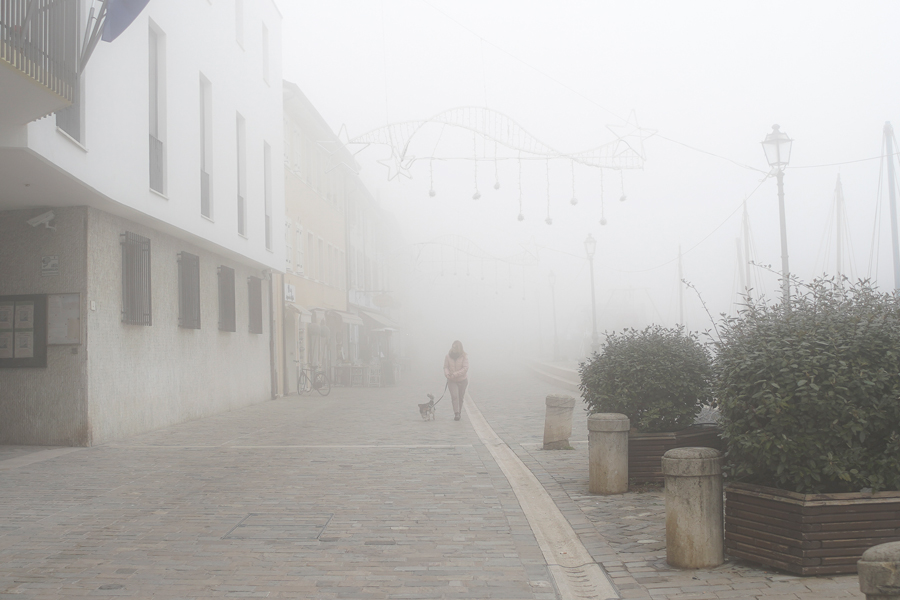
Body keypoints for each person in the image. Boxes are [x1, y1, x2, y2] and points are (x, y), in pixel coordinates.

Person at [443, 340, 469, 421]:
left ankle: (459, 411)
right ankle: (456, 413)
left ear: (459, 348)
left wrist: (455, 374)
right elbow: (445, 367)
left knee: (460, 397)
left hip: (462, 380)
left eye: (455, 347)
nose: (453, 348)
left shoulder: (464, 357)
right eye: (452, 346)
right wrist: (447, 374)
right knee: (455, 396)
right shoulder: (448, 356)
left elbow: (465, 368)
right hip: (452, 380)